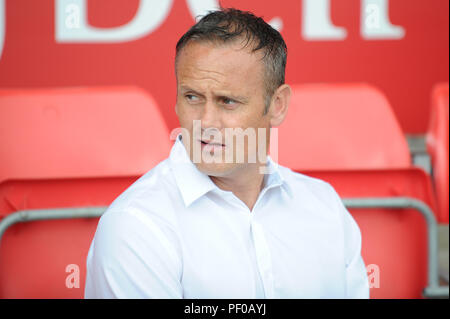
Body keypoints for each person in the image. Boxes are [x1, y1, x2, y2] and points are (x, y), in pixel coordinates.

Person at [84, 8, 369, 299]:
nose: (205, 122)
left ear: (278, 105)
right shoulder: (134, 226)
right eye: (192, 97)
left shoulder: (324, 207)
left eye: (228, 101)